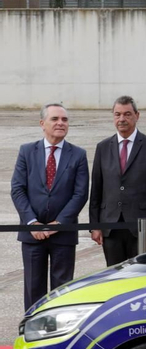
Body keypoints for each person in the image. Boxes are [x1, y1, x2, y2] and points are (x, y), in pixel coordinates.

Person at [10, 103, 89, 309]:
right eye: (55, 119)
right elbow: (18, 189)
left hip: (63, 234)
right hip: (31, 234)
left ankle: (59, 334)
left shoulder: (78, 154)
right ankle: (33, 332)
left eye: (64, 119)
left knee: (62, 290)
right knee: (33, 288)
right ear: (42, 123)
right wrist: (32, 222)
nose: (61, 123)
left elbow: (80, 194)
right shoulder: (27, 151)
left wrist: (59, 223)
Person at [89, 96, 146, 265]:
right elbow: (96, 189)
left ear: (137, 115)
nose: (122, 119)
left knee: (142, 276)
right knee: (114, 276)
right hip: (110, 227)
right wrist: (95, 225)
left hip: (142, 229)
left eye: (127, 114)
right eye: (117, 114)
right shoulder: (103, 147)